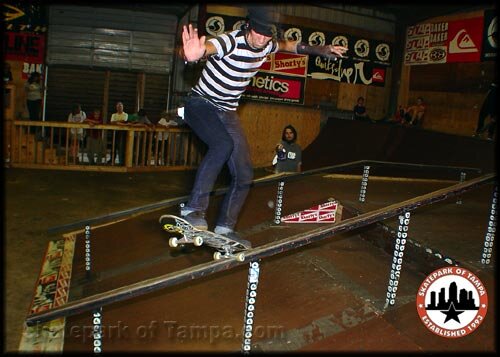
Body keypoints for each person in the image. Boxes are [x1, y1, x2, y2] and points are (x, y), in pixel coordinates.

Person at [178, 5, 347, 246]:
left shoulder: (267, 43)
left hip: (227, 112)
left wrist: (321, 49)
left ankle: (225, 228)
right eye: (258, 33)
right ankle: (193, 210)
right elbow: (209, 47)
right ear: (248, 26)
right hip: (201, 104)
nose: (262, 40)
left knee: (245, 173)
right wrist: (193, 54)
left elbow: (290, 45)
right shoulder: (231, 41)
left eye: (267, 35)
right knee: (222, 144)